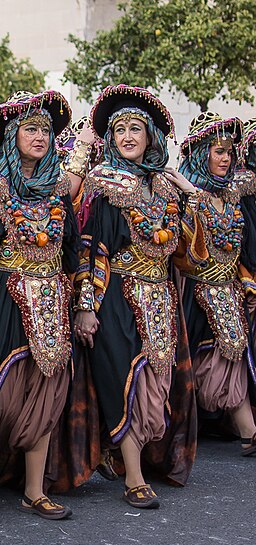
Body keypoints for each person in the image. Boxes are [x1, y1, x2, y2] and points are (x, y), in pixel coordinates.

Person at [71, 84, 198, 507]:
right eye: (119, 129)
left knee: (159, 383)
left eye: (135, 129)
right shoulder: (103, 183)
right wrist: (86, 306)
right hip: (117, 296)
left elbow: (189, 250)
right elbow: (91, 247)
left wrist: (186, 188)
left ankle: (132, 458)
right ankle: (134, 477)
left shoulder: (164, 188)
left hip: (162, 296)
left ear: (151, 138)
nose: (127, 137)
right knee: (126, 380)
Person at [0, 90, 77, 520]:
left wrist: (80, 300)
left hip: (52, 298)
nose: (40, 137)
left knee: (47, 390)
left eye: (46, 130)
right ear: (12, 134)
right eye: (31, 129)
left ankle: (34, 488)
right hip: (5, 297)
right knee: (4, 391)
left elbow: (71, 250)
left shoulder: (57, 184)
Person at [174, 112, 256, 457]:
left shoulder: (233, 196)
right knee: (203, 366)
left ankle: (248, 431)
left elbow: (241, 249)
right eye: (218, 151)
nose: (225, 159)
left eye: (228, 153)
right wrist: (191, 196)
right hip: (193, 296)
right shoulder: (182, 194)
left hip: (230, 294)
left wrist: (248, 284)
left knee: (231, 361)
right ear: (200, 154)